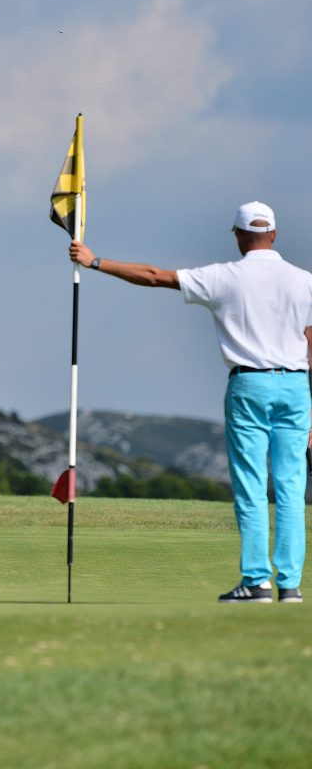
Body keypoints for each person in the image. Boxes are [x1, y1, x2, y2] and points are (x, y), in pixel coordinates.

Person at [69, 201, 312, 603]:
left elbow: (153, 276)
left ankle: (256, 582)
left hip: (249, 386)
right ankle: (290, 586)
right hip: (297, 388)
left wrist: (95, 263)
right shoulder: (304, 280)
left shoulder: (223, 276)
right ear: (275, 234)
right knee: (291, 487)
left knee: (251, 487)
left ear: (237, 236)